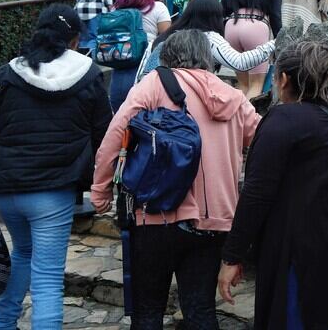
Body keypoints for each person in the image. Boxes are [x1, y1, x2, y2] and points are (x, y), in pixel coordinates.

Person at [92, 30, 261, 328]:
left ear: (167, 56)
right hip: (214, 223)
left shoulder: (154, 84)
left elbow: (116, 134)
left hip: (156, 215)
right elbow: (265, 139)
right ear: (208, 58)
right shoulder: (234, 97)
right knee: (200, 310)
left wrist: (100, 191)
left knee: (148, 311)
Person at [0, 4, 111, 328]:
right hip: (52, 194)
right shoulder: (89, 76)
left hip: (6, 190)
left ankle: (2, 324)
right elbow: (105, 133)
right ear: (75, 40)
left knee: (23, 253)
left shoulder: (9, 72)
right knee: (47, 280)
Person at [217, 42, 328, 329]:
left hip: (296, 255)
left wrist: (232, 256)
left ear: (283, 80)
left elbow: (256, 194)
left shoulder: (282, 120)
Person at [137, 0, 276, 82]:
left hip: (150, 98)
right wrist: (274, 44)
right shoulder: (208, 38)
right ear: (214, 17)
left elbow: (141, 76)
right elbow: (240, 63)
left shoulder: (163, 38)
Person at [222, 0, 282, 99]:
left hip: (232, 26)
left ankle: (234, 118)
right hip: (256, 26)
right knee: (256, 84)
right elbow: (275, 14)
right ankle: (247, 121)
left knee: (243, 84)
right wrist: (278, 39)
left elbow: (223, 9)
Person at [109, 0, 171, 111]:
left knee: (121, 120)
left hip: (118, 70)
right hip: (145, 71)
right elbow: (168, 42)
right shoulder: (159, 8)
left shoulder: (116, 9)